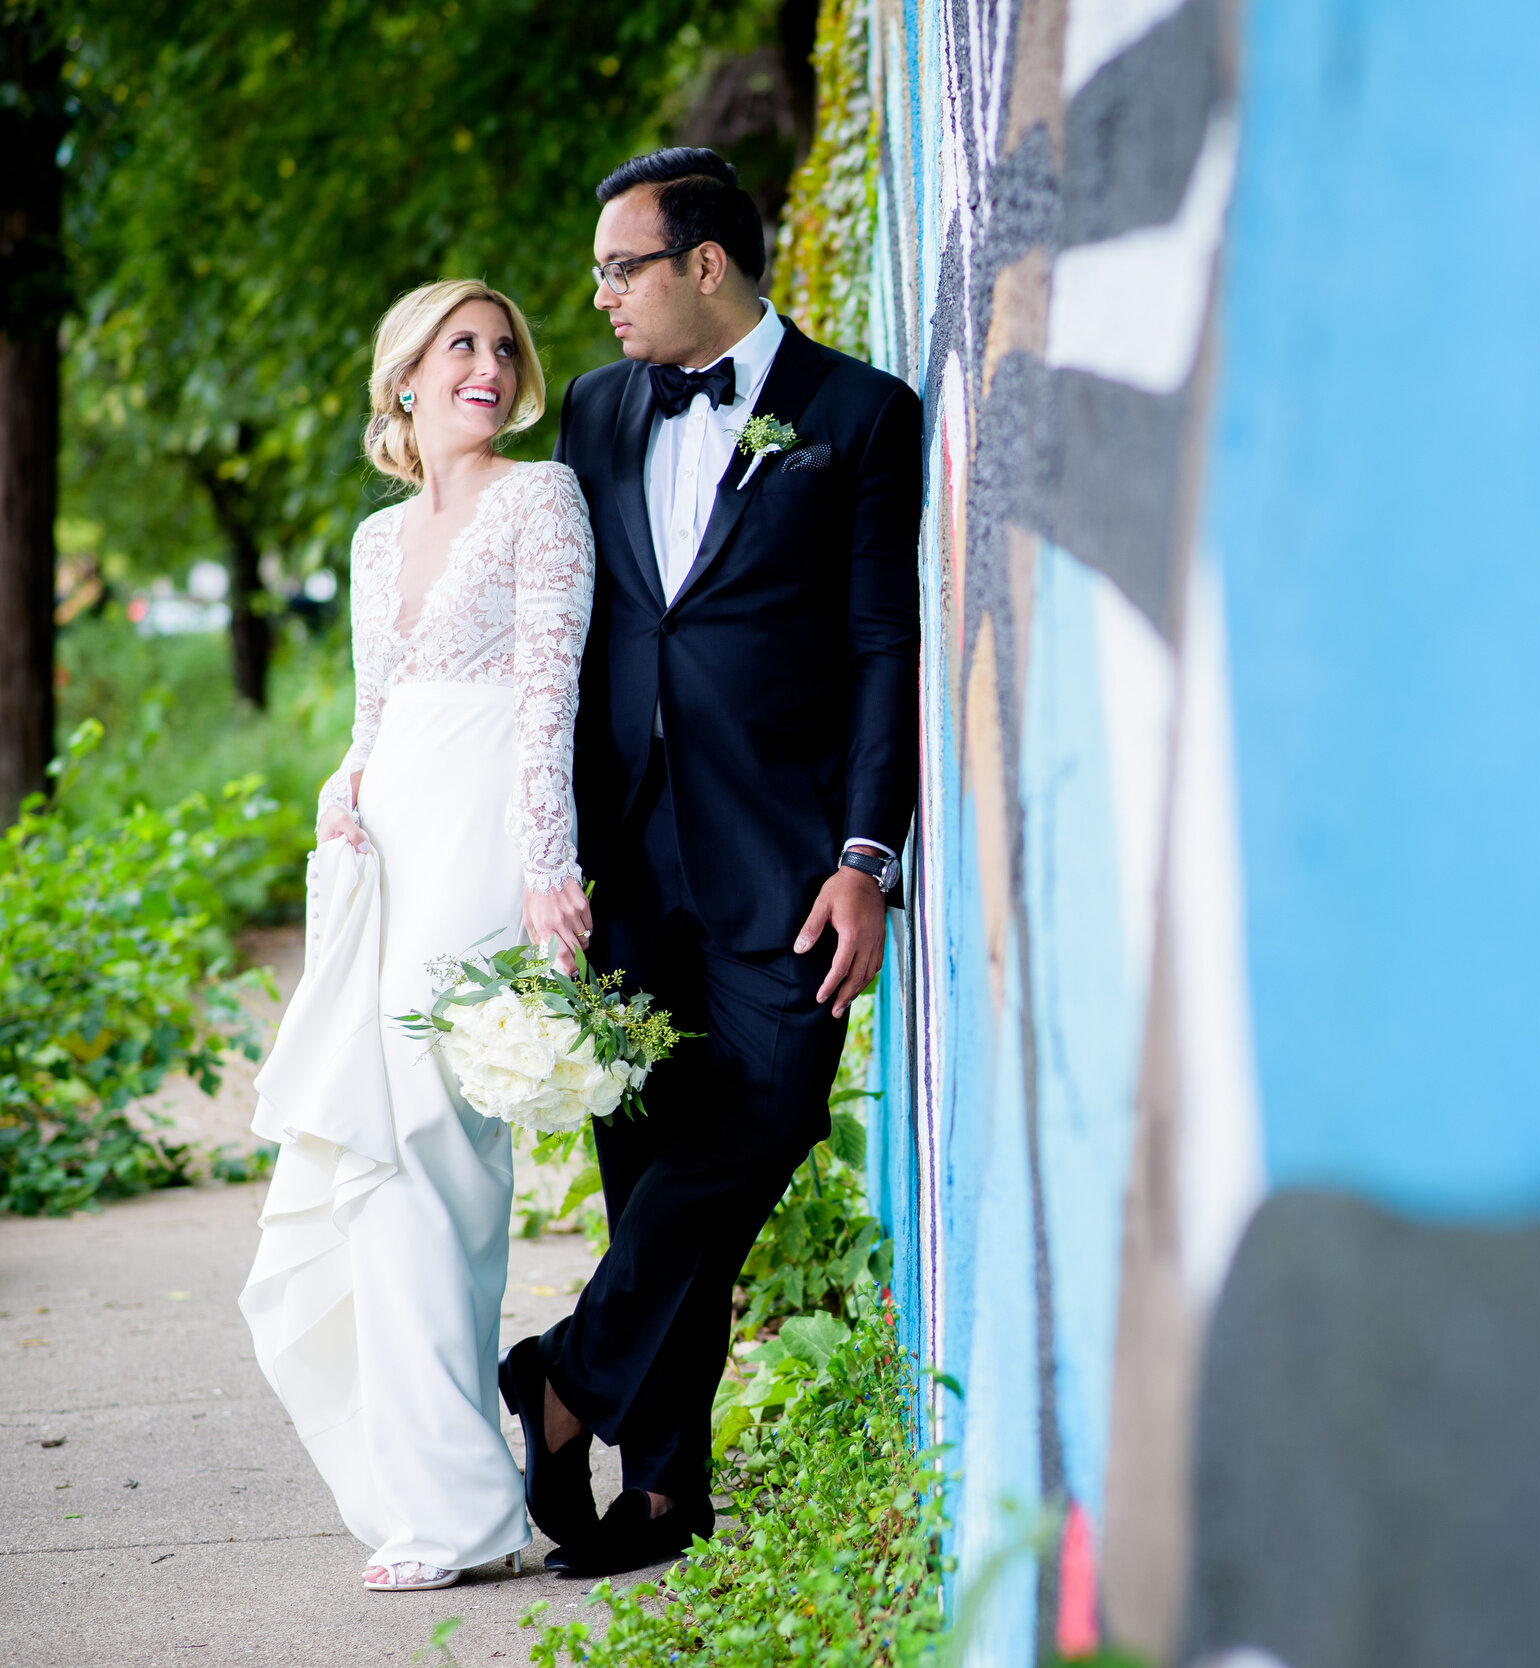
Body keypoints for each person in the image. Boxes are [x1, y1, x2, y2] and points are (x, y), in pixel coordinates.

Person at [501, 148, 921, 1578]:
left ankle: (563, 1375)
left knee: (769, 1115)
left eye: (622, 266)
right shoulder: (601, 415)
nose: (600, 296)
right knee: (647, 1165)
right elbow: (574, 638)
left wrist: (867, 855)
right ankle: (662, 1496)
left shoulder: (860, 416)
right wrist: (546, 842)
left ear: (706, 265)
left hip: (786, 860)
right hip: (626, 860)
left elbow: (882, 646)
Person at [238, 279, 597, 1592]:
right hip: (387, 860)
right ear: (406, 378)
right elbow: (372, 712)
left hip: (486, 852)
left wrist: (552, 870)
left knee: (447, 1157)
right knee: (380, 1170)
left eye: (505, 348)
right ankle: (445, 1504)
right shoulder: (377, 541)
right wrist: (342, 792)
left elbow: (550, 696)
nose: (490, 366)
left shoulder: (542, 501)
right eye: (463, 346)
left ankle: (466, 1511)